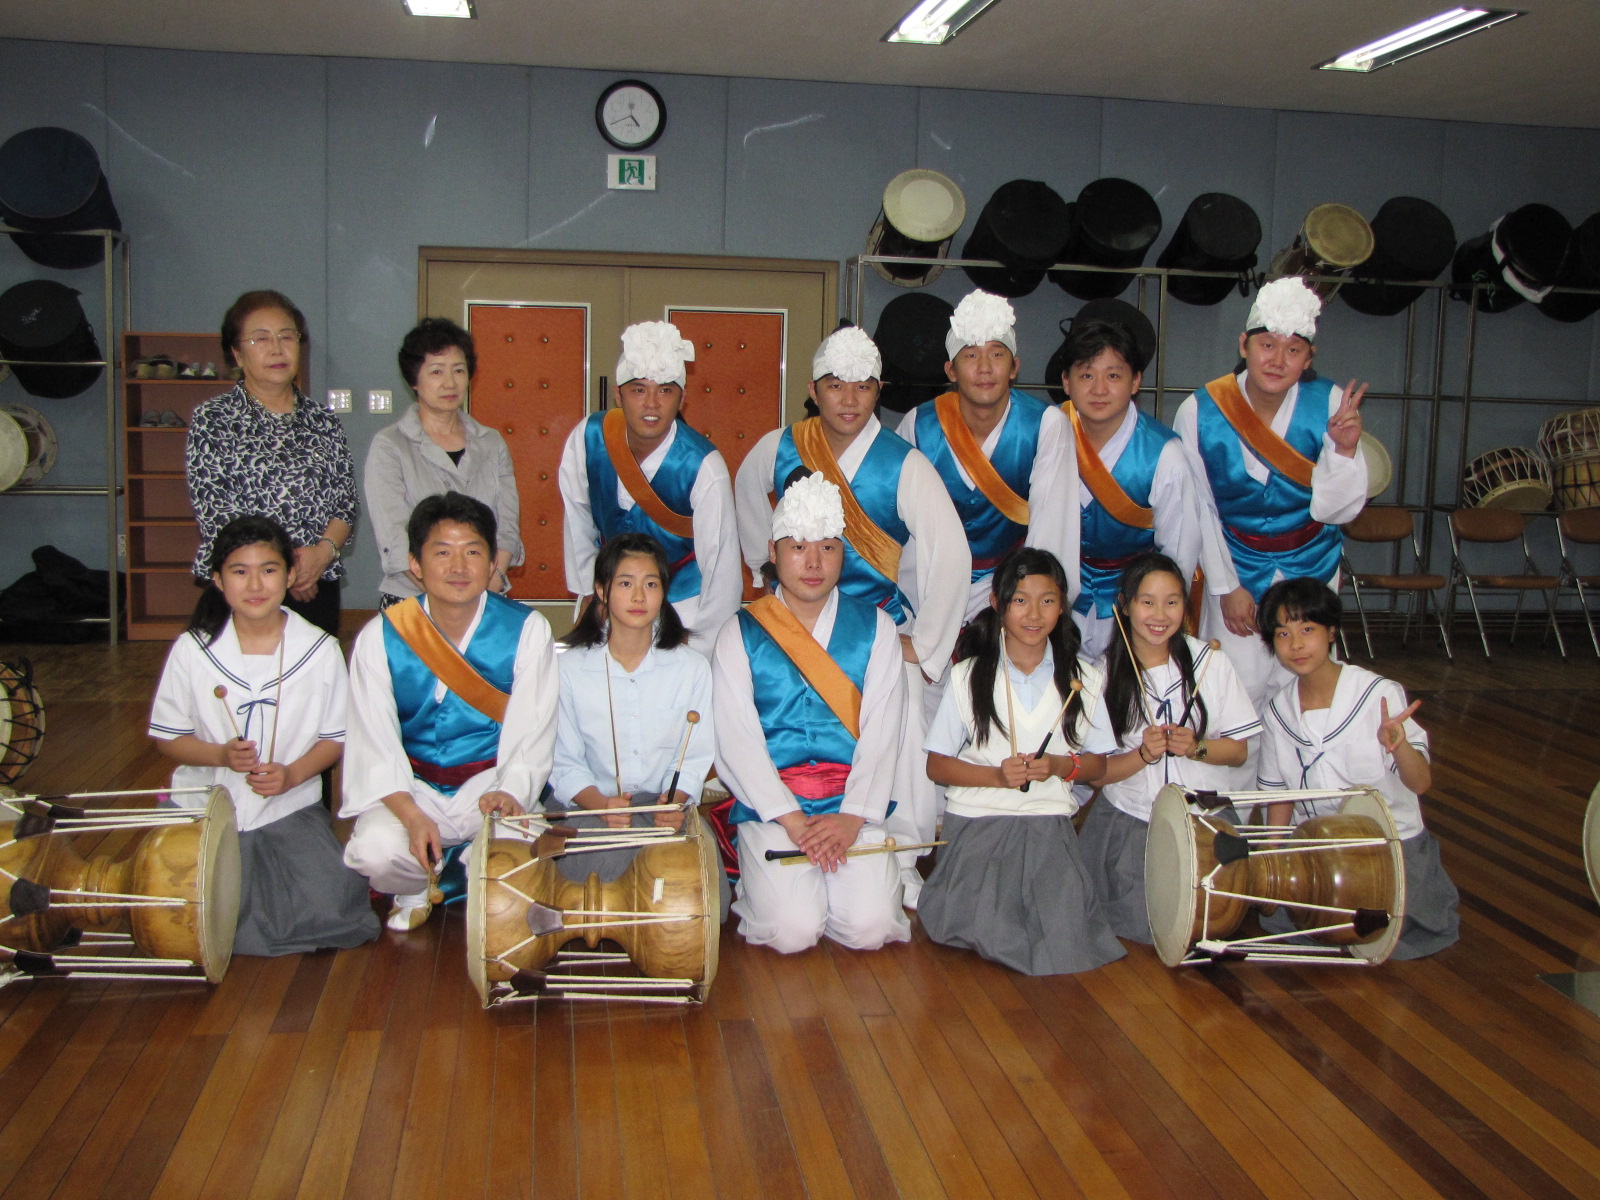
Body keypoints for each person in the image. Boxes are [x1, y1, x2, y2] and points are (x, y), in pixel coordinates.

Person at [733, 325, 968, 907]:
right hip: (795, 624)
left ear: (879, 390)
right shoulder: (779, 446)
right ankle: (786, 829)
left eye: (863, 387)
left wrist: (927, 643)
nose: (848, 400)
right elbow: (744, 495)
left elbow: (949, 550)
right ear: (814, 388)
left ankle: (902, 856)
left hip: (875, 628)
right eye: (835, 386)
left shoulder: (902, 463)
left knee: (904, 726)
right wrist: (768, 569)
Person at [148, 515, 378, 956]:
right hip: (208, 804)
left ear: (291, 574)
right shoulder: (193, 649)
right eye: (239, 571)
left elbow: (335, 739)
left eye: (268, 570)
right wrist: (218, 754)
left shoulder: (319, 649)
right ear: (217, 580)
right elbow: (168, 738)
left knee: (335, 906)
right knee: (178, 909)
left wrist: (292, 775)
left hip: (287, 806)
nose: (255, 583)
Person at [711, 472, 909, 954]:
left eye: (828, 547)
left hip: (850, 807)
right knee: (792, 931)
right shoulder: (740, 632)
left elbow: (885, 732)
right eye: (798, 547)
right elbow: (735, 737)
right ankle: (761, 884)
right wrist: (793, 820)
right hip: (775, 809)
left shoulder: (876, 628)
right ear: (774, 553)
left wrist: (850, 819)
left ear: (845, 553)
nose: (814, 562)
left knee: (872, 927)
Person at [341, 492, 557, 932]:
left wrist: (511, 790)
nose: (458, 567)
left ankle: (475, 872)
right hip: (413, 785)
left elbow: (533, 730)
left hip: (491, 782)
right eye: (442, 553)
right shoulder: (381, 636)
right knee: (375, 850)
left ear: (492, 563)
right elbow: (375, 743)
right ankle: (414, 888)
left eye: (472, 552)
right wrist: (411, 813)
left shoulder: (526, 629)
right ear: (415, 565)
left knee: (519, 856)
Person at [920, 547, 1124, 975]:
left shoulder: (1084, 680)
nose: (1034, 613)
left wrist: (1059, 766)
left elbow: (1099, 768)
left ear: (1063, 606)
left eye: (1048, 600)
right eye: (1019, 599)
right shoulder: (967, 675)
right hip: (978, 820)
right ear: (997, 603)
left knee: (1063, 935)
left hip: (1047, 820)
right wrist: (995, 776)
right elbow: (936, 766)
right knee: (995, 929)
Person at [1174, 276, 1367, 707]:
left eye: (1293, 350)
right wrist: (1226, 588)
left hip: (1312, 565)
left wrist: (1346, 450)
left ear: (1308, 357)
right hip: (1237, 567)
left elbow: (1339, 512)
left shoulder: (1331, 401)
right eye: (1267, 345)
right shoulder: (1200, 410)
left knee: (1308, 687)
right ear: (1244, 345)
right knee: (1233, 688)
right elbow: (1199, 507)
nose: (1278, 360)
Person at [1254, 577, 1459, 959]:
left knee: (1400, 935)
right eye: (1283, 633)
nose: (1296, 644)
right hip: (1318, 846)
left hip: (1387, 848)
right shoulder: (1278, 709)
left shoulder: (1379, 694)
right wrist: (1272, 855)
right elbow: (1278, 795)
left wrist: (1398, 746)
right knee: (1277, 922)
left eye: (1308, 629)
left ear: (1332, 632)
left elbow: (1421, 783)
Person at [1077, 552, 1261, 943]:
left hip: (1204, 819)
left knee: (1209, 921)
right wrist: (1141, 755)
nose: (1160, 615)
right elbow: (1098, 777)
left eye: (1172, 602)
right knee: (1143, 926)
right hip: (1131, 820)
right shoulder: (1101, 675)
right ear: (1124, 607)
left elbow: (1240, 752)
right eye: (1147, 602)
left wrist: (1198, 748)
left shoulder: (1210, 660)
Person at [551, 532, 722, 910]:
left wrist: (675, 802)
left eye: (651, 584)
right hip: (592, 808)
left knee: (712, 901)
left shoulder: (691, 668)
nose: (639, 597)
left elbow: (694, 757)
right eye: (625, 584)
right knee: (600, 866)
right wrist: (600, 805)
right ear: (601, 590)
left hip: (661, 809)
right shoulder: (568, 668)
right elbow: (564, 761)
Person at [559, 320, 740, 656]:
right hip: (609, 596)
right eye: (638, 390)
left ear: (683, 398)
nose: (652, 404)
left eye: (666, 390)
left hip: (683, 605)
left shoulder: (702, 465)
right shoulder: (589, 438)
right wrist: (589, 592)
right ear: (618, 393)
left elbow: (722, 566)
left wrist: (705, 641)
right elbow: (577, 518)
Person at [902, 289, 1078, 624]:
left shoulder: (1045, 426)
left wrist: (1025, 600)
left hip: (1011, 587)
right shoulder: (920, 424)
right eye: (970, 356)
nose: (985, 368)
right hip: (930, 587)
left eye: (997, 355)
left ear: (1015, 367)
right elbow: (908, 532)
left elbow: (1053, 526)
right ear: (950, 370)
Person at [186, 290, 357, 637]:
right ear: (237, 353)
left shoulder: (323, 421)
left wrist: (321, 556)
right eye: (260, 338)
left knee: (311, 687)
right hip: (244, 589)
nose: (277, 348)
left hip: (315, 585)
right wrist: (282, 572)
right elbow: (216, 515)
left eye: (287, 336)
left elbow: (346, 505)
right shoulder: (213, 420)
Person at [1060, 318, 1214, 660]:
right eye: (1086, 375)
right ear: (1066, 382)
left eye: (1113, 375)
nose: (1099, 389)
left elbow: (1180, 552)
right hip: (1059, 603)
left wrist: (1156, 612)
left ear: (1136, 381)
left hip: (1134, 607)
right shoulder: (1049, 437)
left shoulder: (1164, 454)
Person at [364, 317, 523, 607]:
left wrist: (488, 585)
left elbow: (507, 527)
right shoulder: (390, 446)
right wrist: (447, 599)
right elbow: (395, 537)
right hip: (413, 600)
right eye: (436, 371)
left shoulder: (491, 442)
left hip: (485, 599)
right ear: (414, 380)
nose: (450, 383)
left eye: (458, 370)